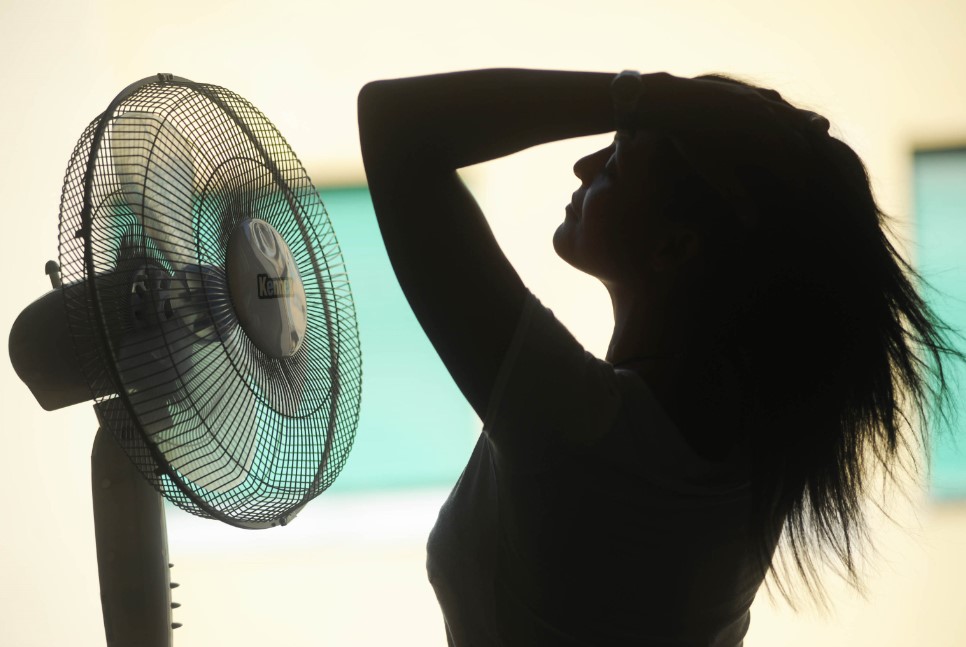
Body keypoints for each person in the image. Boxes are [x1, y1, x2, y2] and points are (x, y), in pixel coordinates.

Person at [356, 69, 961, 646]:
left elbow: (397, 126)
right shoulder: (749, 460)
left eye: (616, 163)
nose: (583, 163)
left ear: (675, 246)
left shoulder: (582, 430)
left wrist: (650, 96)